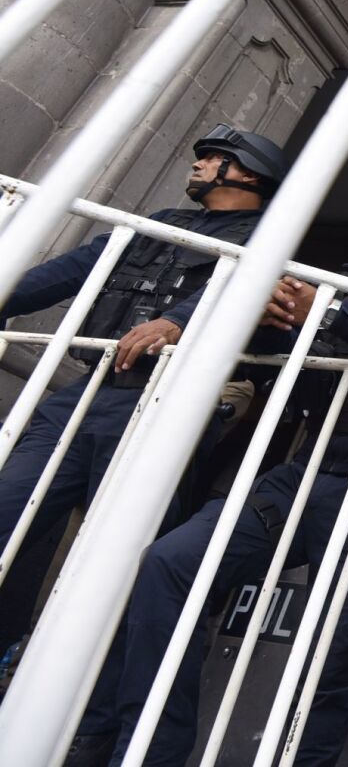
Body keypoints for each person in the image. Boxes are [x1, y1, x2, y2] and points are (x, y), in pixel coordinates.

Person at [69, 169, 348, 767]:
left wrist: (325, 313)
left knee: (333, 651)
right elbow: (288, 363)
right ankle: (149, 750)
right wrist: (266, 321)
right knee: (171, 564)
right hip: (307, 471)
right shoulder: (340, 280)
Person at [0, 125, 290, 641]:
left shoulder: (270, 239)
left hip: (166, 404)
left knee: (116, 563)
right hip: (89, 392)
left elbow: (258, 291)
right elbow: (62, 274)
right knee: (9, 508)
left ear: (246, 173)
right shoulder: (156, 225)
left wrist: (179, 320)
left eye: (214, 157)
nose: (197, 163)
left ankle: (93, 707)